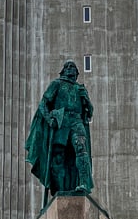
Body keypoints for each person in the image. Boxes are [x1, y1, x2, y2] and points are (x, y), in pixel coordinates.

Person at [25, 61, 94, 201]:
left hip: (76, 122)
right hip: (62, 122)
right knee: (58, 157)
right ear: (63, 71)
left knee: (81, 149)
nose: (70, 69)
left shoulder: (80, 89)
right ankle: (60, 188)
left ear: (77, 72)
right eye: (68, 67)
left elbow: (89, 112)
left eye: (73, 67)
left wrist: (86, 100)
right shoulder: (57, 84)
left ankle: (83, 183)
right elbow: (43, 104)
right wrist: (50, 119)